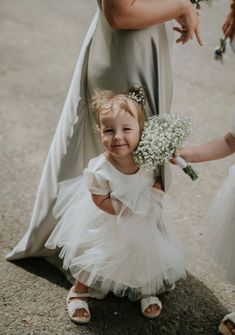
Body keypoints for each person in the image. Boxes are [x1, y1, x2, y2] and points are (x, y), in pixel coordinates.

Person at [6, 0, 201, 287]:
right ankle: (98, 259)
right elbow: (120, 13)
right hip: (127, 49)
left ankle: (136, 256)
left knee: (141, 156)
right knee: (121, 153)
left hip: (144, 42)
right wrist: (182, 7)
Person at [44, 87, 186, 323]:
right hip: (109, 221)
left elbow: (156, 181)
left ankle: (146, 291)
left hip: (142, 219)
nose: (117, 136)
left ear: (141, 131)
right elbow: (99, 199)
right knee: (96, 258)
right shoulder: (99, 169)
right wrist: (125, 212)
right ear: (99, 132)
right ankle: (78, 292)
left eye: (126, 129)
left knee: (143, 255)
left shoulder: (147, 158)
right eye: (108, 130)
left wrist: (156, 195)